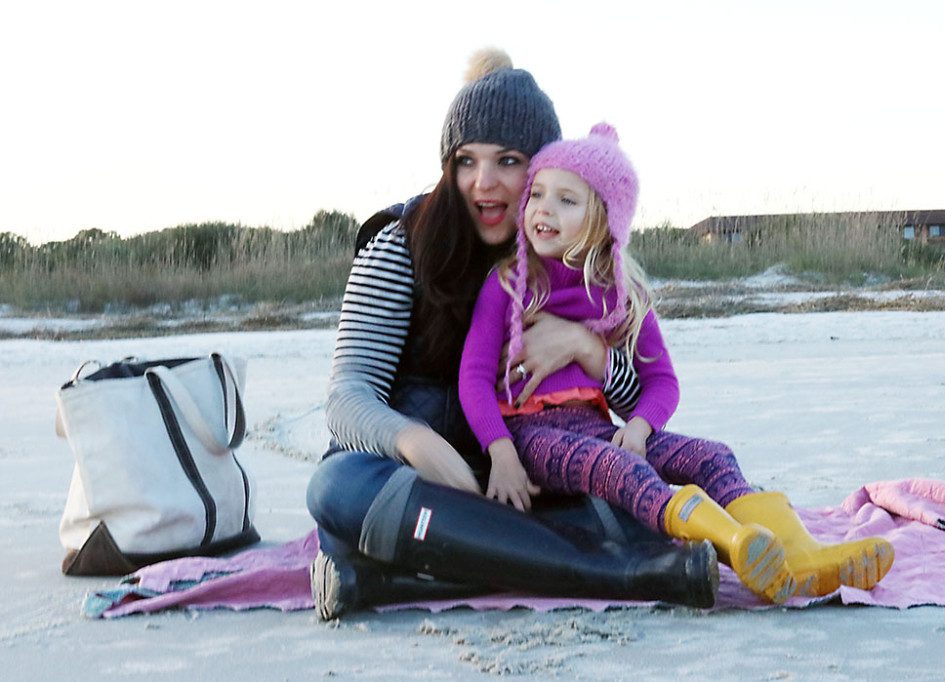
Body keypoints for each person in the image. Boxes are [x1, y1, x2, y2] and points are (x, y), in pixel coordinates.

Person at [305, 49, 718, 621]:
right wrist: (416, 444)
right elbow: (347, 395)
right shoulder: (400, 245)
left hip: (529, 475)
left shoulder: (566, 255)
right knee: (334, 487)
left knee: (635, 485)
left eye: (507, 161)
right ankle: (612, 573)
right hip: (415, 478)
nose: (484, 183)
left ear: (542, 167)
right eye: (466, 161)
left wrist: (587, 349)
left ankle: (390, 583)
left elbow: (632, 403)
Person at [458, 123, 895, 604]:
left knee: (713, 454)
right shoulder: (507, 284)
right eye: (538, 193)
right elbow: (473, 377)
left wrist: (643, 426)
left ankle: (802, 557)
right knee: (621, 469)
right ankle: (735, 546)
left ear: (605, 219)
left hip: (598, 426)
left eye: (567, 199)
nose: (543, 208)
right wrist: (499, 451)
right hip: (532, 435)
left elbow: (662, 381)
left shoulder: (622, 296)